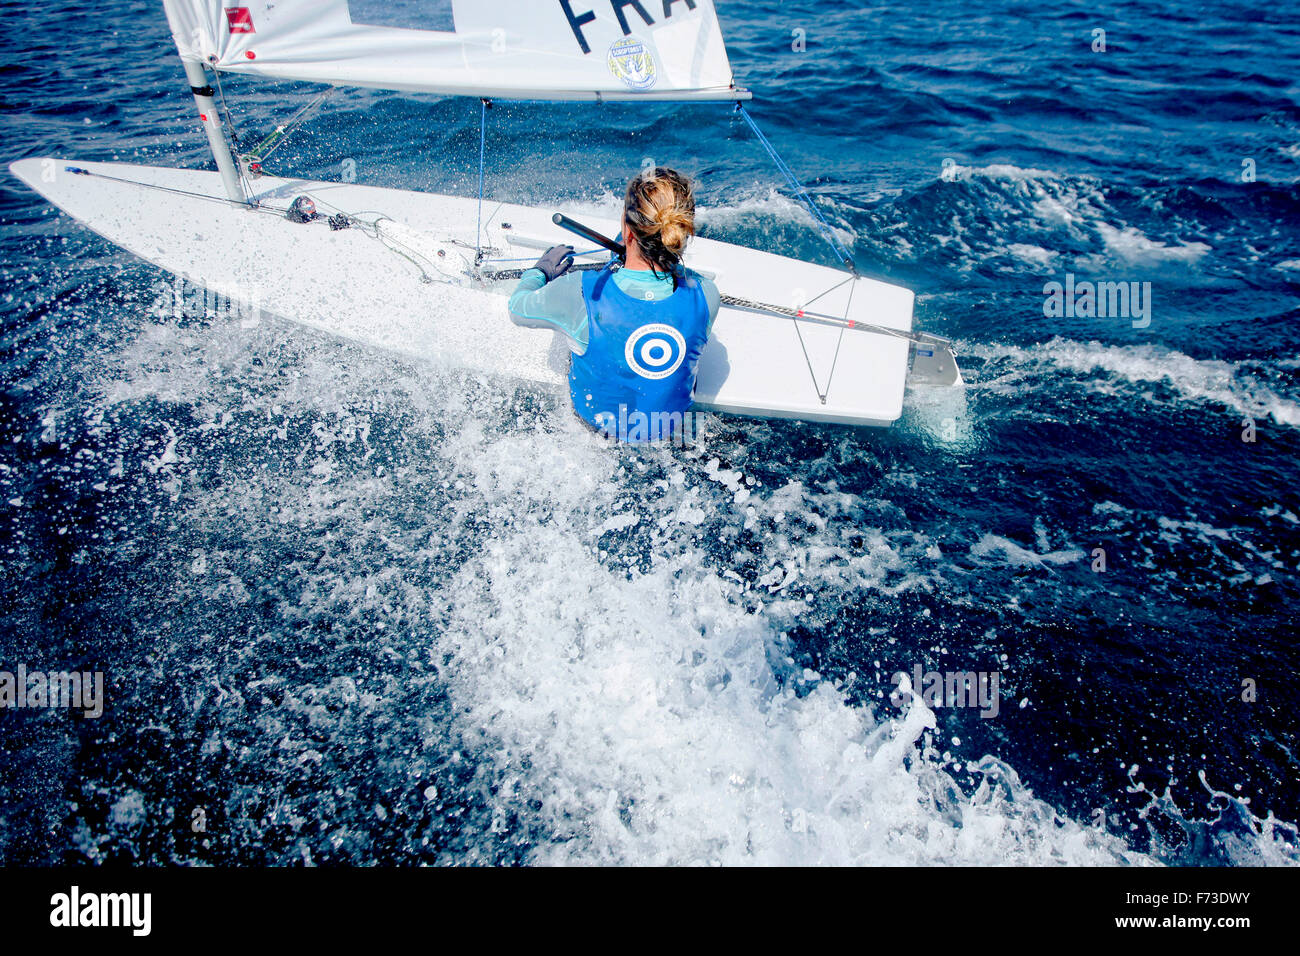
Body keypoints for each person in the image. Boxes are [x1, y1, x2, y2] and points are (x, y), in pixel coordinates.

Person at [508, 166, 720, 443]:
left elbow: (517, 308)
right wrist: (630, 255)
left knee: (573, 336)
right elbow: (664, 289)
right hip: (669, 431)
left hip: (592, 430)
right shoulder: (707, 293)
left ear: (628, 232)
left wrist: (540, 272)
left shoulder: (580, 291)